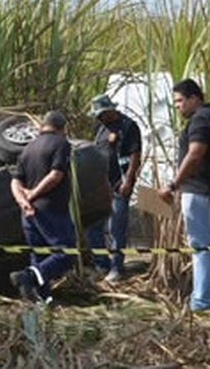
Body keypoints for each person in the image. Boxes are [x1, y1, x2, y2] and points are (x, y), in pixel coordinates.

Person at [158, 78, 210, 311]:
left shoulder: (200, 118)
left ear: (194, 98)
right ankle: (205, 298)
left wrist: (173, 185)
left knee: (202, 246)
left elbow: (196, 152)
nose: (178, 106)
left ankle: (202, 302)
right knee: (209, 246)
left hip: (201, 191)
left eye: (180, 101)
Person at [8, 110, 76, 304]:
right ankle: (27, 277)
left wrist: (22, 201)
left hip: (28, 212)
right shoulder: (61, 144)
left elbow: (15, 181)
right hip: (51, 209)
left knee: (39, 254)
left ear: (42, 126)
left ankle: (41, 299)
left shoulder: (27, 149)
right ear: (63, 128)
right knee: (66, 253)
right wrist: (34, 193)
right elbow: (56, 175)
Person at [84, 93, 142, 282]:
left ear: (110, 110)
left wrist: (128, 180)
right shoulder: (100, 127)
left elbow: (135, 155)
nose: (100, 118)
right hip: (100, 184)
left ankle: (117, 267)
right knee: (93, 226)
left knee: (116, 226)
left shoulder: (128, 126)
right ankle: (102, 264)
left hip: (119, 183)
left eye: (102, 114)